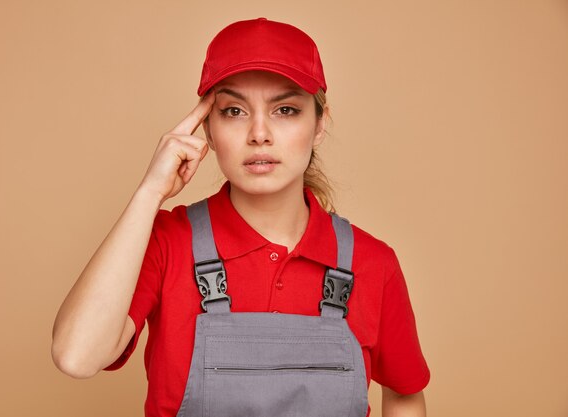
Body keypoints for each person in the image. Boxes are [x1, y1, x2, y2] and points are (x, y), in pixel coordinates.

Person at [52, 17, 430, 417]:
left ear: (319, 124)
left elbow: (405, 394)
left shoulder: (372, 263)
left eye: (285, 109)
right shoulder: (166, 242)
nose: (259, 133)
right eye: (233, 110)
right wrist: (150, 192)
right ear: (208, 131)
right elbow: (76, 357)